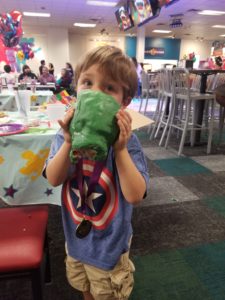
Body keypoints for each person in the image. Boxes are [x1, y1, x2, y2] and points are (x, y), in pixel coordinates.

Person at [43, 45, 149, 300]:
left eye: (109, 88)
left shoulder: (128, 142)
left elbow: (136, 195)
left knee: (108, 293)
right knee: (84, 288)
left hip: (110, 247)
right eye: (87, 83)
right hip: (76, 240)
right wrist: (68, 141)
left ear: (124, 102)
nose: (94, 93)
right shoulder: (65, 135)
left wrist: (121, 149)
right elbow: (54, 178)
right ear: (76, 89)